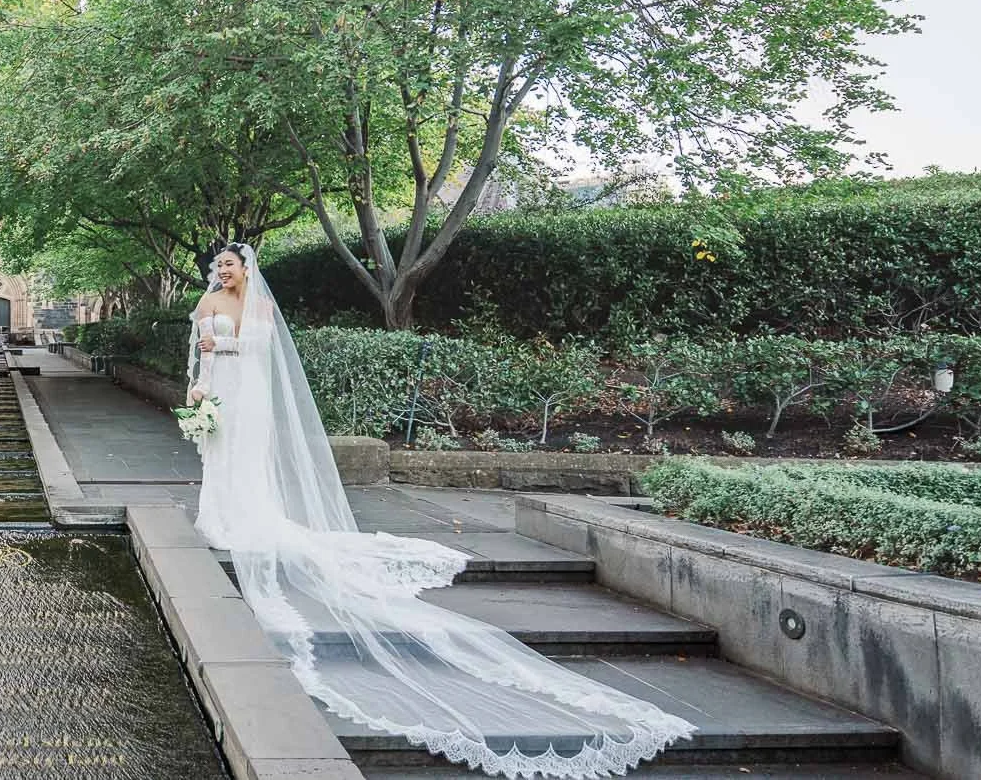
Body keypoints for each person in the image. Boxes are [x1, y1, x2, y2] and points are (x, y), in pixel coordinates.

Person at [188, 242, 693, 777]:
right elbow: (200, 351)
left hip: (251, 393)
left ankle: (252, 514)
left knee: (249, 456)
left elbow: (266, 353)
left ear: (246, 268)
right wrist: (200, 384)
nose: (223, 272)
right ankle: (221, 515)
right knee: (222, 454)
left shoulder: (264, 307)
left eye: (229, 265)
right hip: (221, 389)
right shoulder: (208, 303)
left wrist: (230, 348)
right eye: (219, 266)